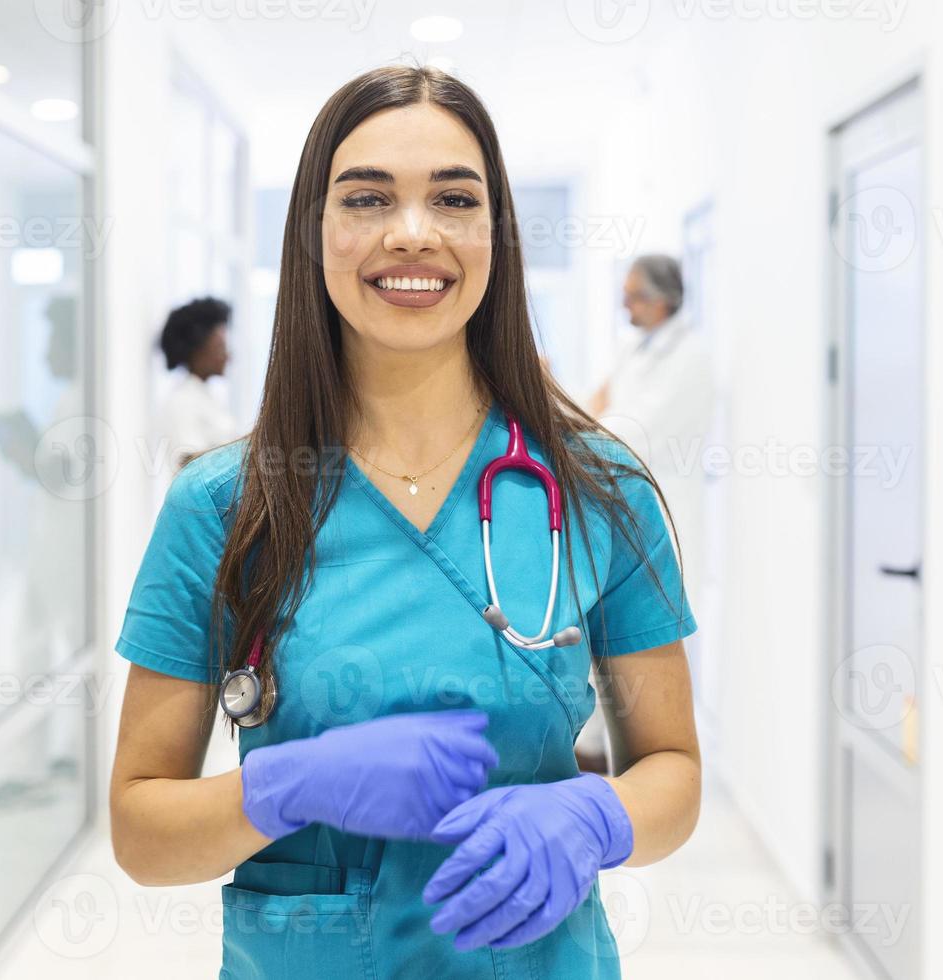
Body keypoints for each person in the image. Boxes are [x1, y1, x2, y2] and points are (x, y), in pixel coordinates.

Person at [109, 65, 700, 979]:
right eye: (367, 198)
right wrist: (283, 787)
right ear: (315, 232)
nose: (413, 233)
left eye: (455, 199)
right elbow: (142, 834)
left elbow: (672, 769)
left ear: (496, 234)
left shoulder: (597, 490)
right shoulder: (225, 505)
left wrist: (599, 816)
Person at [578, 256, 713, 775]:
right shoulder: (634, 347)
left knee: (643, 652)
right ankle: (594, 764)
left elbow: (631, 431)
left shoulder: (692, 358)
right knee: (599, 655)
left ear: (664, 300)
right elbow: (598, 405)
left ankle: (638, 773)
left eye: (634, 295)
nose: (624, 304)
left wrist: (578, 421)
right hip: (617, 510)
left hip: (663, 511)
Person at [157, 295, 239, 482]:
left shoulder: (207, 397)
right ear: (197, 350)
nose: (227, 356)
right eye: (220, 348)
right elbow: (190, 464)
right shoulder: (182, 401)